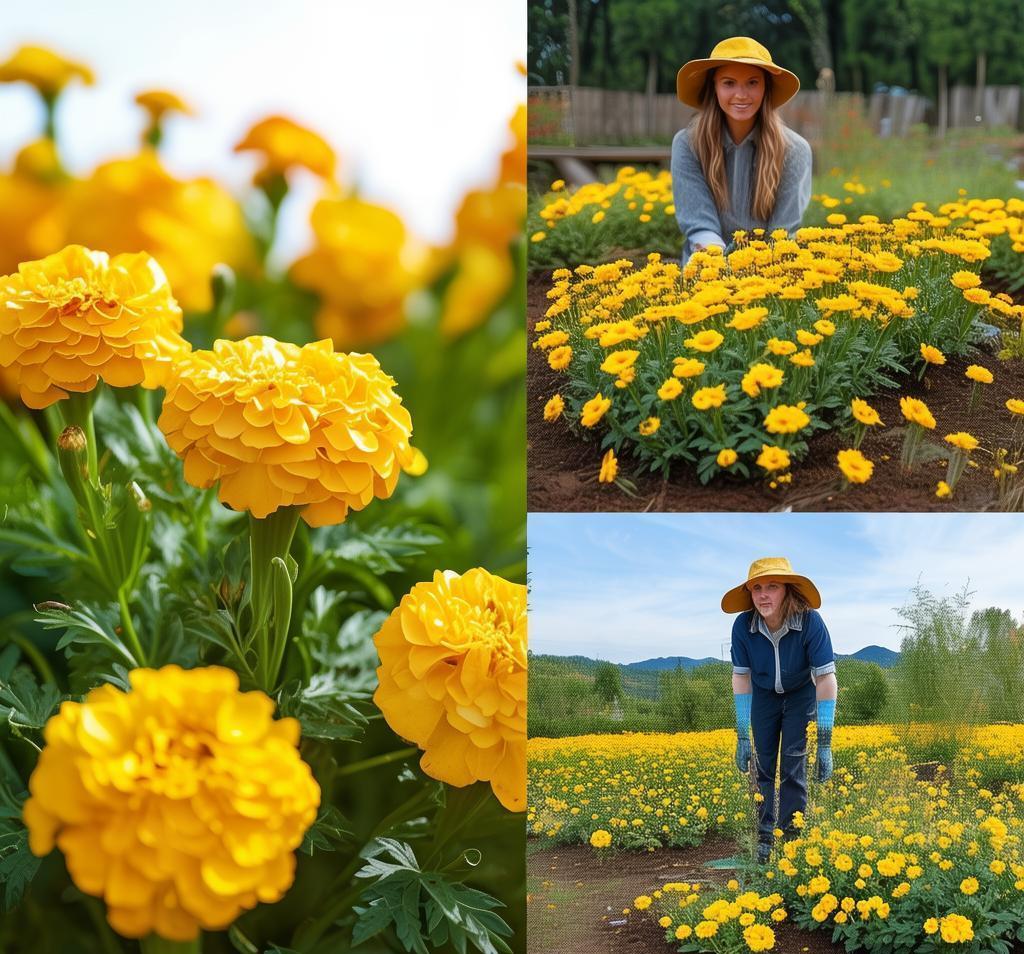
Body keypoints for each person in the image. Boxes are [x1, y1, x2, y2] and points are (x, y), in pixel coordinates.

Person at [722, 557, 837, 863]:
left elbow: (826, 678)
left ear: (787, 589)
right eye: (756, 588)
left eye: (772, 586)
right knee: (763, 766)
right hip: (763, 696)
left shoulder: (810, 622)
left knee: (793, 766)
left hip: (801, 695)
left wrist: (825, 743)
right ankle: (764, 837)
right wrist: (742, 735)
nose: (763, 595)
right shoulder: (743, 626)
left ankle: (791, 839)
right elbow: (741, 677)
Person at [671, 36, 812, 265]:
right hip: (708, 265)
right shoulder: (688, 144)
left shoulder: (795, 150)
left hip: (768, 267)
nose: (741, 94)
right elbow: (700, 226)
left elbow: (782, 234)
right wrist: (720, 267)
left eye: (752, 82)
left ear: (766, 87)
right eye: (729, 83)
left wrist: (753, 272)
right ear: (714, 87)